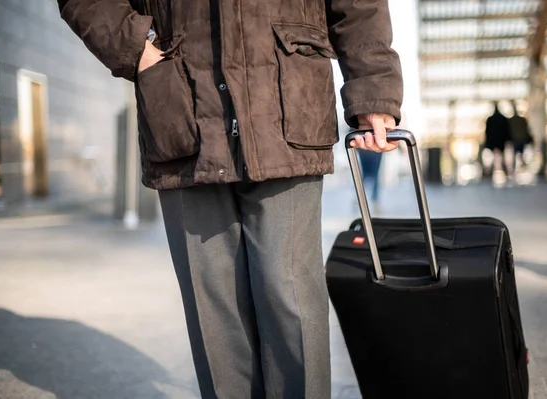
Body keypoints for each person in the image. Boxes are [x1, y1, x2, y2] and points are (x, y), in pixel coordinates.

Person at [57, 1, 403, 397]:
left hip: (286, 107)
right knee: (215, 316)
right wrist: (136, 48)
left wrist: (374, 90)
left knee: (291, 303)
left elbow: (358, 6)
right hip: (181, 111)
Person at [484, 102, 513, 180]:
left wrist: (487, 142)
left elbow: (487, 132)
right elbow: (507, 130)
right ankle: (505, 171)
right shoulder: (503, 118)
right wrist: (509, 140)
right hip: (501, 140)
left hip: (494, 140)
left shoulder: (490, 119)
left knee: (494, 156)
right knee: (501, 156)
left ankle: (491, 172)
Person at [509, 100, 534, 173]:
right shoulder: (521, 120)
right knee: (519, 154)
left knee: (516, 154)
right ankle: (520, 166)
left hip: (516, 139)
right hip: (520, 139)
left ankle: (515, 168)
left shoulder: (512, 120)